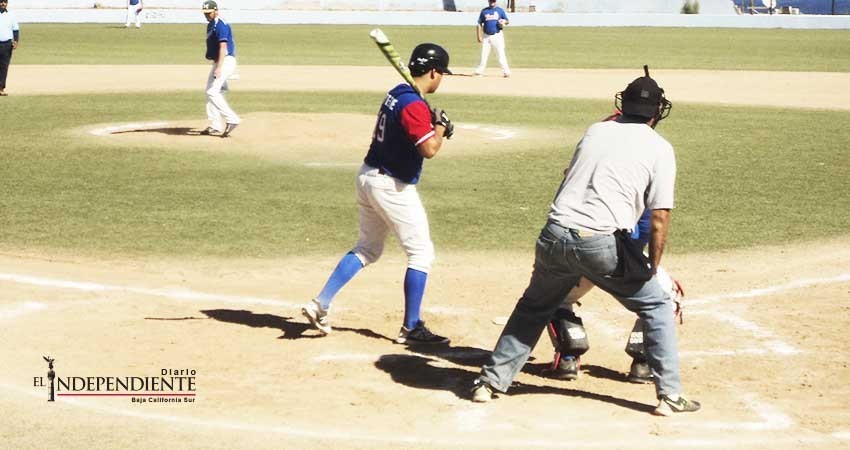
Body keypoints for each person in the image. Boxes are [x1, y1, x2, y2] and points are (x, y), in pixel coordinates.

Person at [471, 68, 701, 416]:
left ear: (622, 104)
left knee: (533, 308)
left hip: (554, 234)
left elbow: (569, 176)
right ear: (657, 112)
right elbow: (659, 218)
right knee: (656, 305)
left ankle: (488, 383)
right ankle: (669, 395)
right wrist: (652, 268)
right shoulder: (660, 148)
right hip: (600, 243)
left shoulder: (595, 130)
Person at [301, 43, 455, 345]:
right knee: (421, 253)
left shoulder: (398, 93)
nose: (442, 79)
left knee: (367, 248)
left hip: (368, 177)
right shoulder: (413, 104)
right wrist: (439, 128)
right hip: (391, 186)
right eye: (442, 74)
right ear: (434, 72)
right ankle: (411, 328)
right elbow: (429, 149)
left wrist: (433, 124)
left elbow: (410, 129)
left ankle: (320, 303)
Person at [545, 208, 685, 383]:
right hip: (617, 261)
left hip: (576, 254)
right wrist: (651, 271)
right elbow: (648, 231)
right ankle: (643, 363)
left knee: (554, 295)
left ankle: (567, 359)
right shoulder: (643, 198)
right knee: (667, 296)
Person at [201, 1, 240, 138]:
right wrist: (216, 64)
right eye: (205, 13)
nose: (207, 15)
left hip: (225, 61)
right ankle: (215, 125)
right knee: (210, 92)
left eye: (209, 13)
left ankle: (232, 119)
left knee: (212, 92)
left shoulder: (220, 25)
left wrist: (219, 68)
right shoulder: (211, 25)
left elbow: (223, 47)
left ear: (216, 11)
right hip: (220, 62)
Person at [474, 0, 511, 78]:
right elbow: (479, 23)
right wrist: (479, 36)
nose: (492, 2)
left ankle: (506, 72)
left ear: (495, 1)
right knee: (484, 54)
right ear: (488, 1)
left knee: (500, 54)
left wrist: (503, 21)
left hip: (497, 35)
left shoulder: (500, 10)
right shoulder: (484, 11)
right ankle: (479, 71)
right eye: (491, 1)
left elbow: (507, 21)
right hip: (486, 36)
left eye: (493, 1)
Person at [0, 0, 19, 97]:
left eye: (5, 2)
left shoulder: (11, 15)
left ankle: (1, 89)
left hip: (7, 44)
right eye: (1, 1)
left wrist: (16, 41)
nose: (3, 3)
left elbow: (15, 29)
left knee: (4, 67)